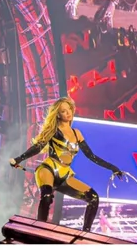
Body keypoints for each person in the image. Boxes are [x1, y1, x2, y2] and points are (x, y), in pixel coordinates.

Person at [10, 96, 125, 233]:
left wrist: (113, 168)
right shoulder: (53, 130)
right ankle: (39, 232)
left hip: (65, 174)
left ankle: (84, 235)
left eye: (69, 109)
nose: (68, 113)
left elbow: (91, 156)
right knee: (46, 197)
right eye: (63, 111)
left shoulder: (77, 134)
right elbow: (38, 147)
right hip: (49, 169)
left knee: (93, 198)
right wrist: (18, 159)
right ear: (58, 115)